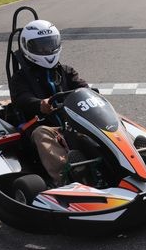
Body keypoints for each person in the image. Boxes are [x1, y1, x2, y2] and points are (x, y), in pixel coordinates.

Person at [9, 19, 88, 186]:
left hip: (73, 123)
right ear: (28, 47)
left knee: (109, 118)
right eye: (41, 47)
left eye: (50, 45)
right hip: (44, 126)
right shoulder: (20, 78)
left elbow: (83, 89)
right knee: (41, 133)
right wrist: (39, 104)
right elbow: (21, 99)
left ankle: (130, 156)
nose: (47, 50)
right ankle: (66, 177)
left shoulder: (66, 71)